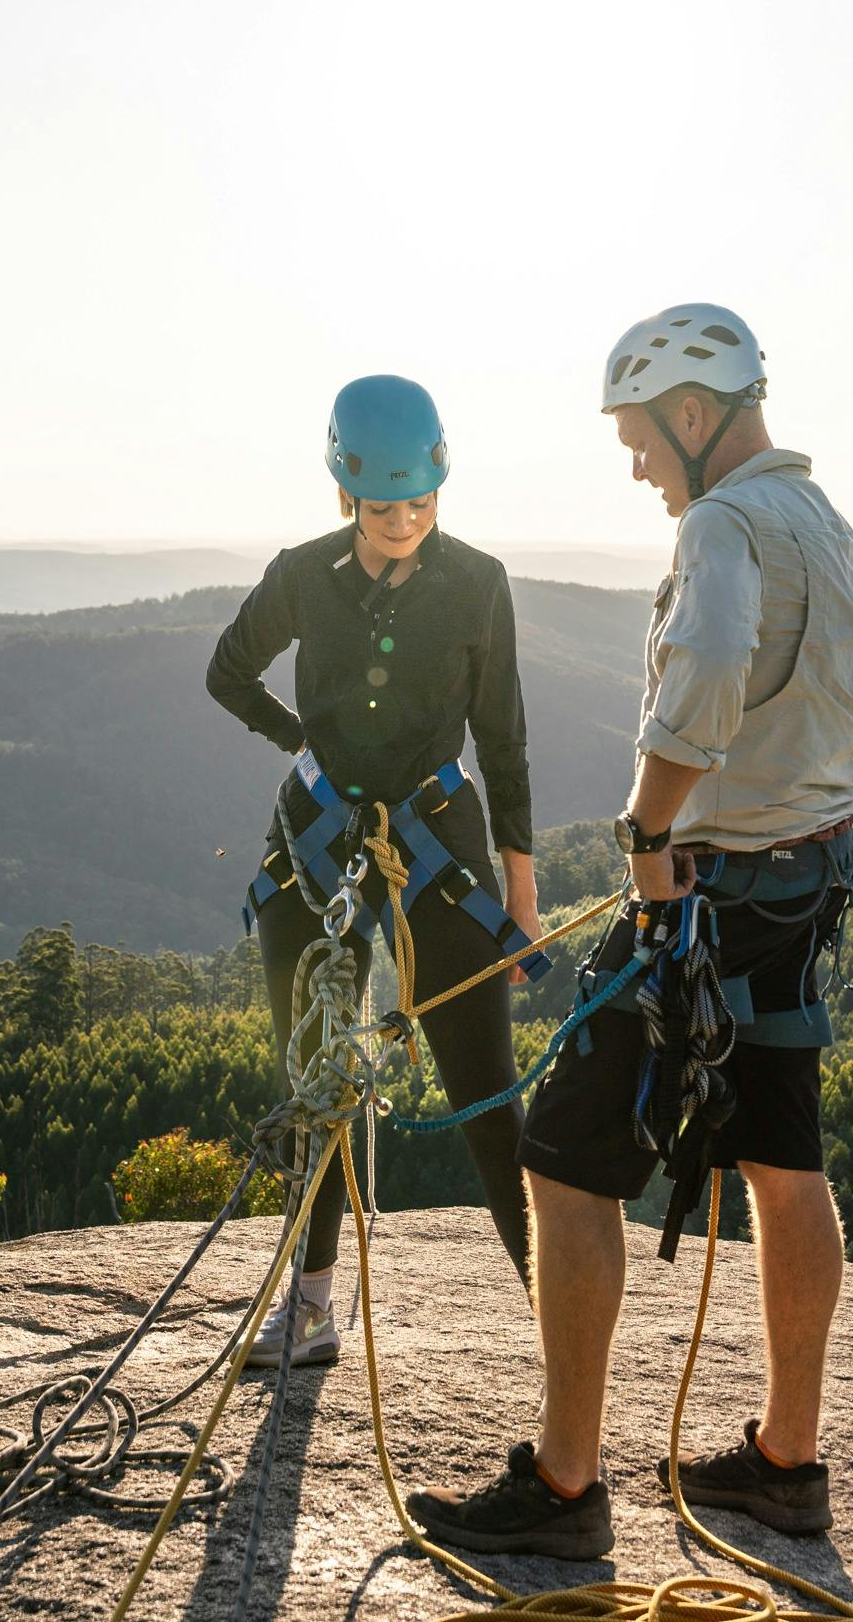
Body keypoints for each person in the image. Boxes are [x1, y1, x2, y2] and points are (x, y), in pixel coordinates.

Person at [408, 304, 853, 1558]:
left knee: (564, 1161)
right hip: (803, 875)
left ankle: (564, 1488)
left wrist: (642, 835)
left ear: (691, 415)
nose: (632, 465)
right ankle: (786, 1461)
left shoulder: (727, 526)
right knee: (785, 1154)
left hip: (706, 891)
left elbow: (709, 668)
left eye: (636, 438)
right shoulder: (827, 526)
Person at [206, 373, 550, 1371]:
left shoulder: (478, 580)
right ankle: (312, 1309)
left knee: (486, 1093)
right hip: (319, 847)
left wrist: (519, 904)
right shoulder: (302, 573)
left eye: (418, 502)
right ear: (344, 492)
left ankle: (554, 1322)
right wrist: (298, 745)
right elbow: (229, 669)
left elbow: (507, 742)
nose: (401, 521)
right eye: (380, 504)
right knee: (317, 1083)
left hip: (438, 848)